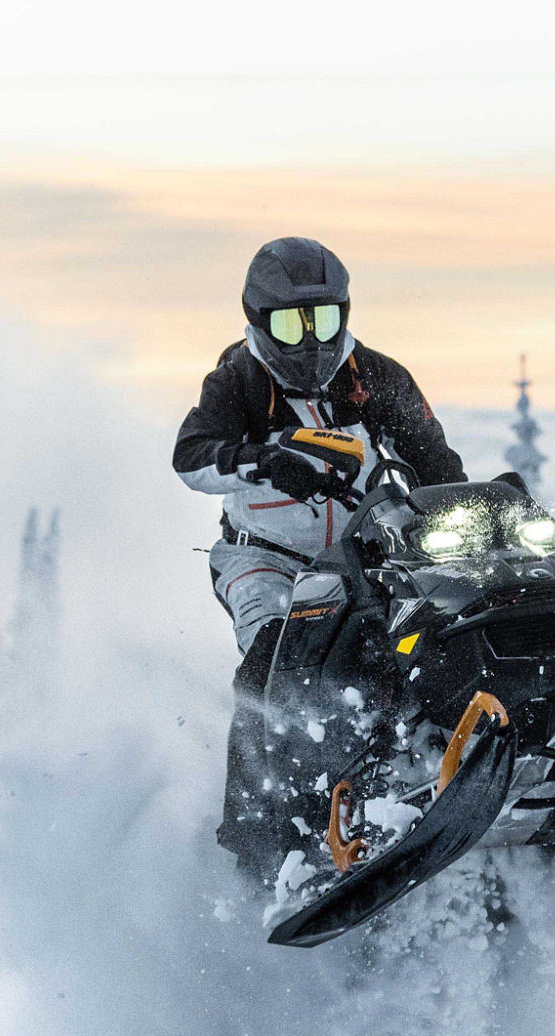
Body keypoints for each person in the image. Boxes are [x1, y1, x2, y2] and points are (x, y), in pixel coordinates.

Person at [174, 236, 466, 884]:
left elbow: (435, 458)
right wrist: (262, 457)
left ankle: (455, 764)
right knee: (277, 661)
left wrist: (466, 508)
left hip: (365, 553)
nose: (309, 340)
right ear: (258, 321)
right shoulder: (237, 380)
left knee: (429, 635)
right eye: (290, 324)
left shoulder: (375, 376)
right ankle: (264, 844)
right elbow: (191, 456)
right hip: (268, 559)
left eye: (323, 320)